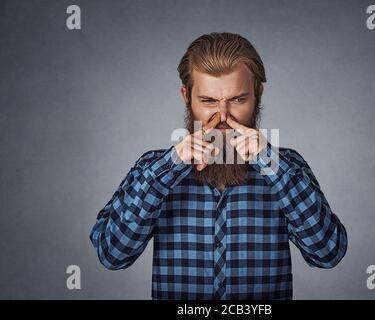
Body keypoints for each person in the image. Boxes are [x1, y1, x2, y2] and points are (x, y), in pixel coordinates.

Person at [90, 32, 347, 300]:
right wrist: (168, 168)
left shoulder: (287, 166)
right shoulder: (151, 168)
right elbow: (112, 255)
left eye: (238, 100)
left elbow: (327, 254)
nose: (223, 116)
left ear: (258, 94)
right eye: (209, 101)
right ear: (186, 96)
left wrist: (271, 164)